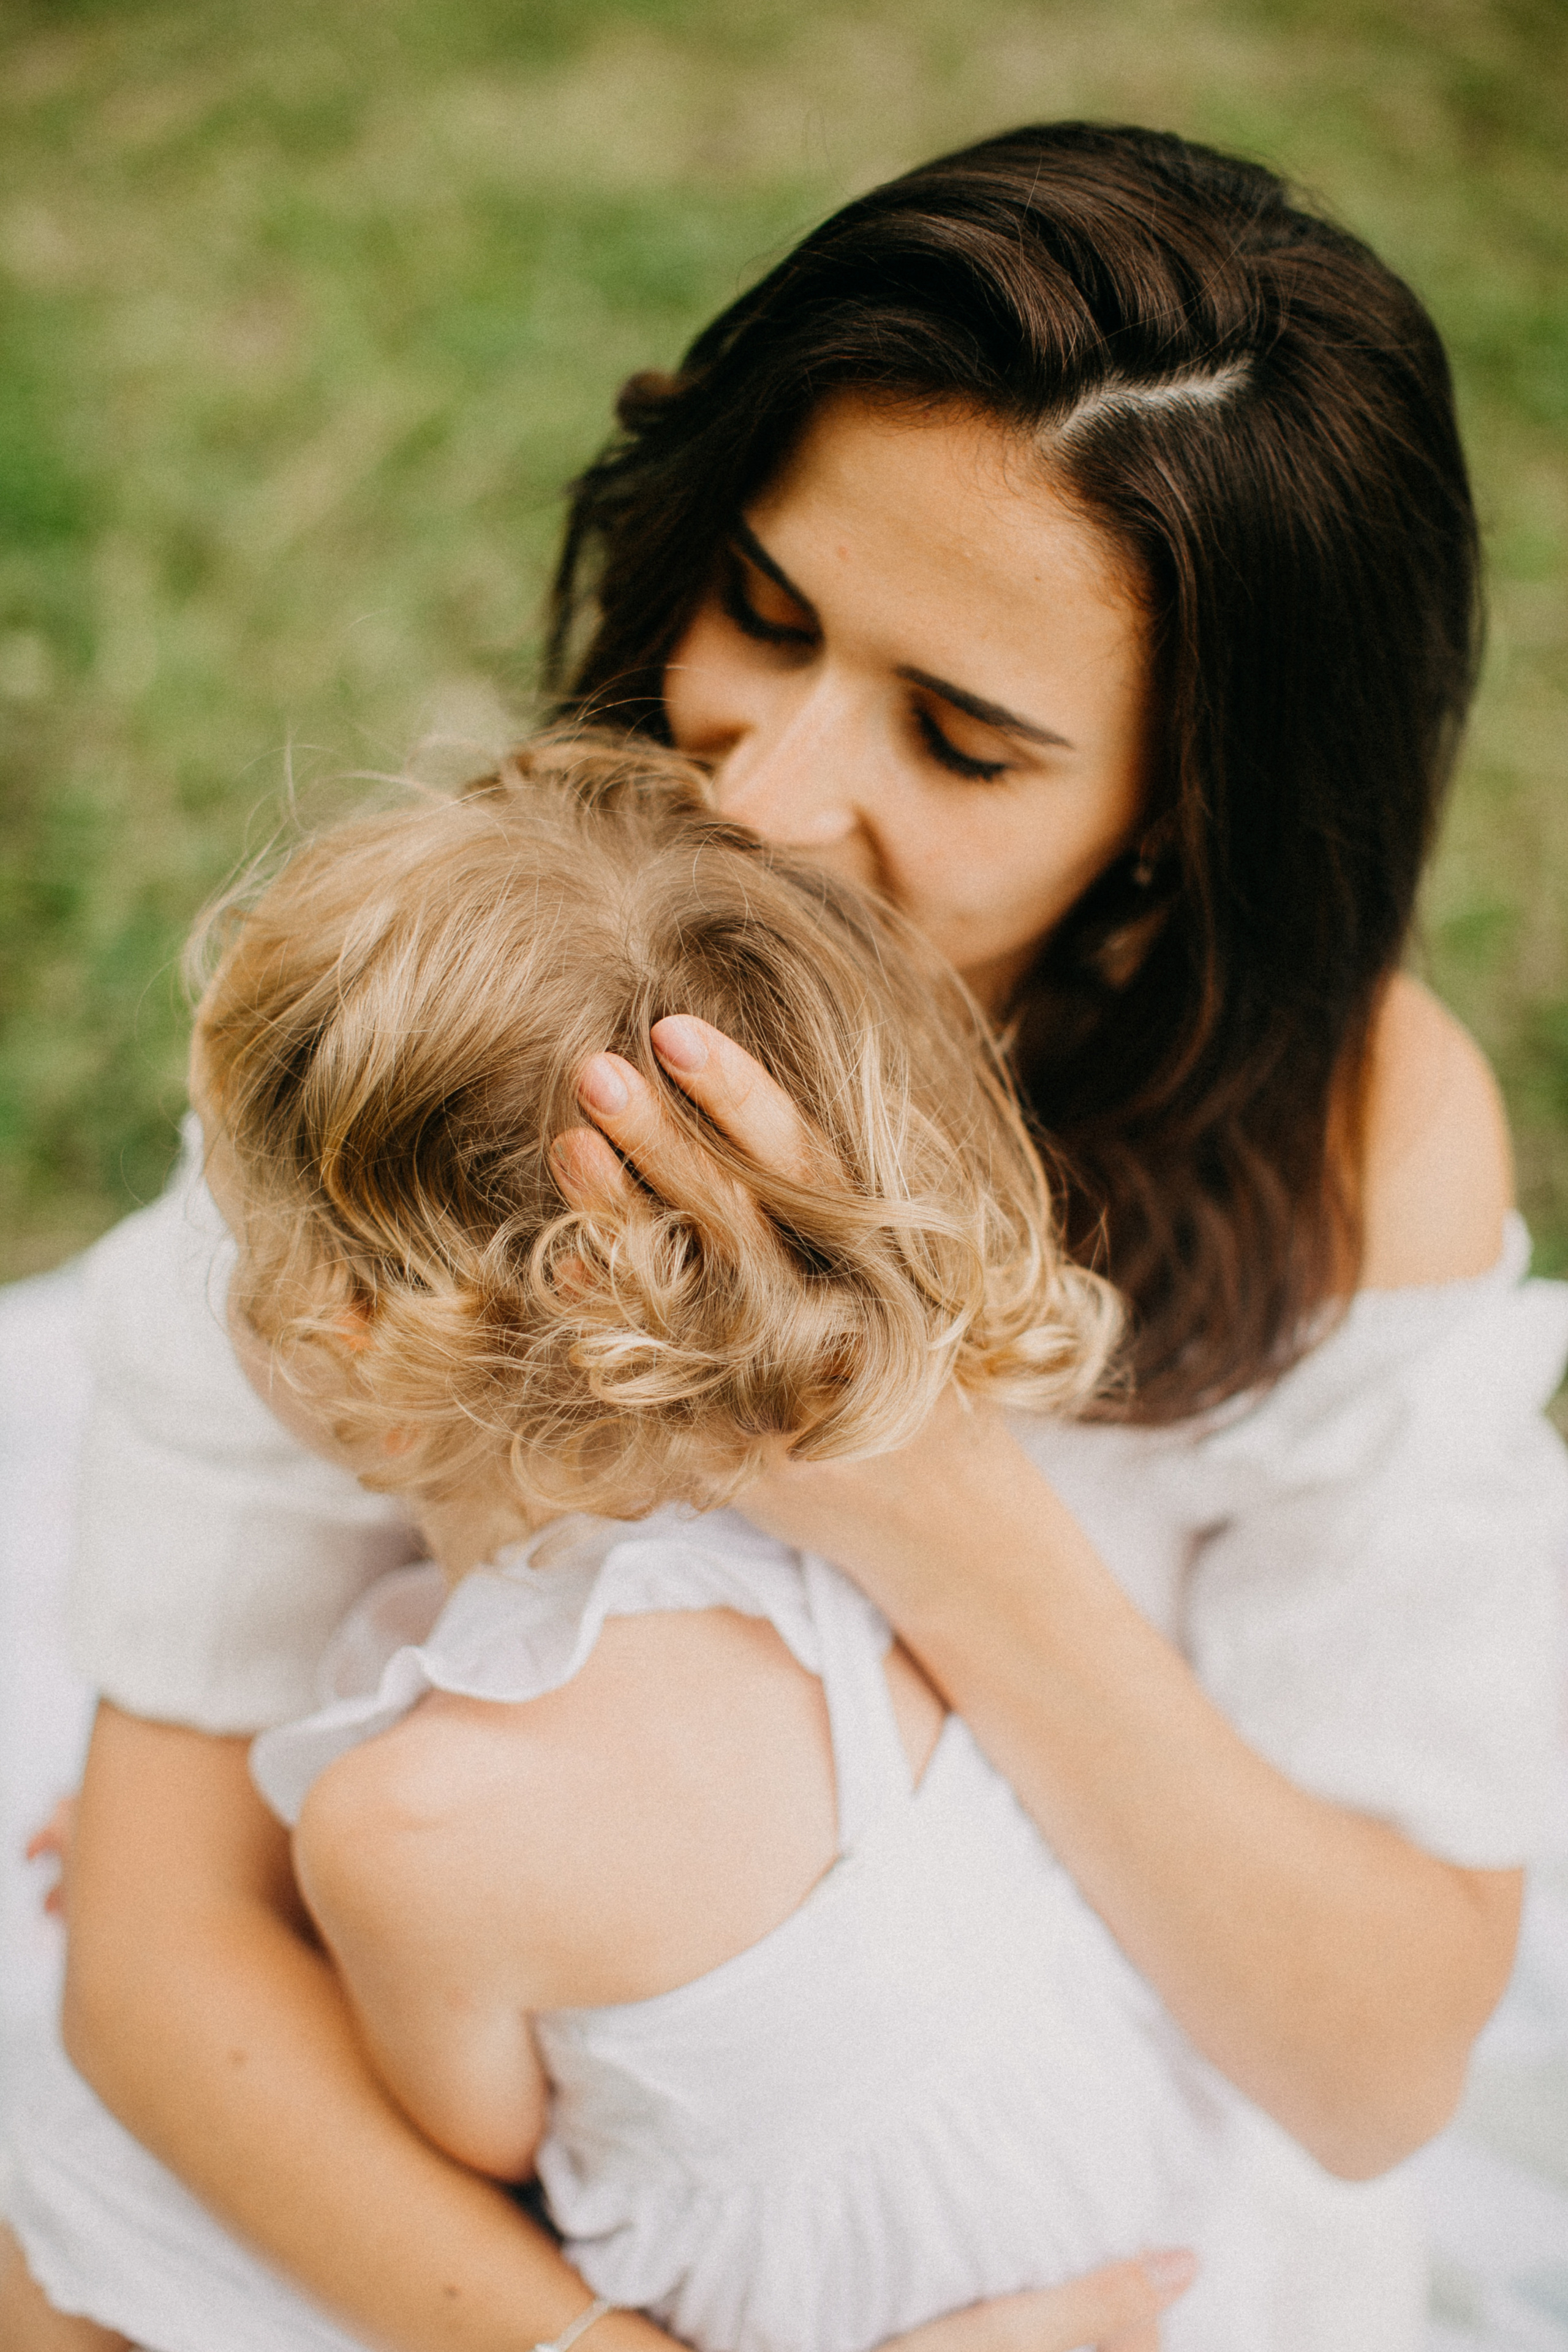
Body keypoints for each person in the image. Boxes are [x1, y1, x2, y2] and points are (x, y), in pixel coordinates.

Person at [2, 117, 1565, 2352]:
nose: (763, 793)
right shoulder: (490, 967)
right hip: (488, 2088)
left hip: (1031, 2178)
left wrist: (923, 1498)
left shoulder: (1347, 1133)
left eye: (959, 737)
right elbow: (164, 1970)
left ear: (1176, 818)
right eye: (766, 612)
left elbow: (1375, 2063)